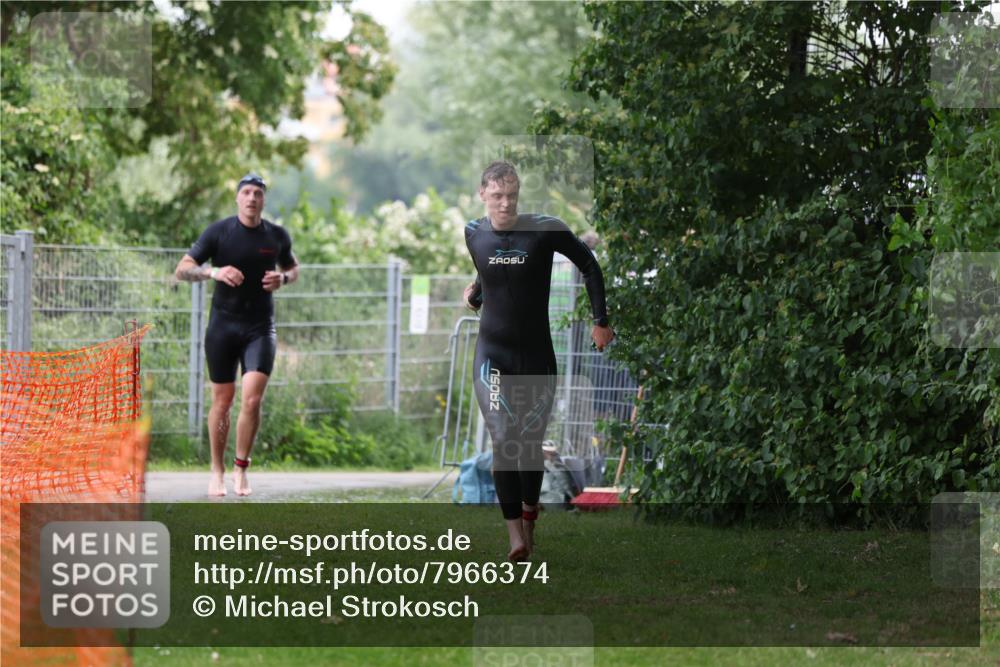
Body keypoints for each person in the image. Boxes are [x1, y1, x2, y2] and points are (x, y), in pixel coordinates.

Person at [463, 160, 614, 561]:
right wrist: (476, 294)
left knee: (528, 446)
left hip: (536, 356)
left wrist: (601, 321)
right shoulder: (473, 233)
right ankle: (514, 535)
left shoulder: (545, 230)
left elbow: (589, 265)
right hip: (492, 356)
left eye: (511, 195)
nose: (505, 203)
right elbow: (488, 276)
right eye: (497, 196)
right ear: (483, 194)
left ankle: (529, 522)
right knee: (502, 438)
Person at [174, 173, 298, 497]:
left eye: (258, 193)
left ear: (264, 200)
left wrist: (283, 280)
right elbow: (182, 269)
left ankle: (241, 467)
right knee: (223, 401)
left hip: (260, 327)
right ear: (237, 198)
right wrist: (215, 271)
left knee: (253, 399)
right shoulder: (219, 232)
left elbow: (293, 269)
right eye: (246, 192)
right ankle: (217, 470)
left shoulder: (277, 235)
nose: (252, 198)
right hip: (223, 328)